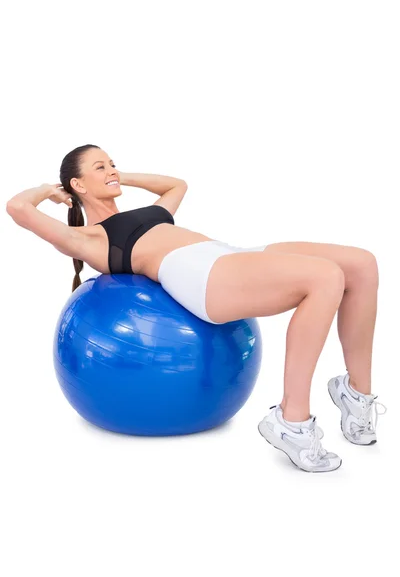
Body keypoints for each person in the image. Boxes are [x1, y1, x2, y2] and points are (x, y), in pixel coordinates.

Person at [6, 144, 387, 473]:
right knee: (324, 278)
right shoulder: (85, 238)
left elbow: (177, 184)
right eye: (99, 166)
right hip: (200, 275)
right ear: (77, 183)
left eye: (112, 162)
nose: (111, 170)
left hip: (226, 254)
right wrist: (51, 191)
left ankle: (357, 394)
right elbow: (17, 207)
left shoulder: (146, 211)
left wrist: (117, 177)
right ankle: (292, 419)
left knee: (362, 264)